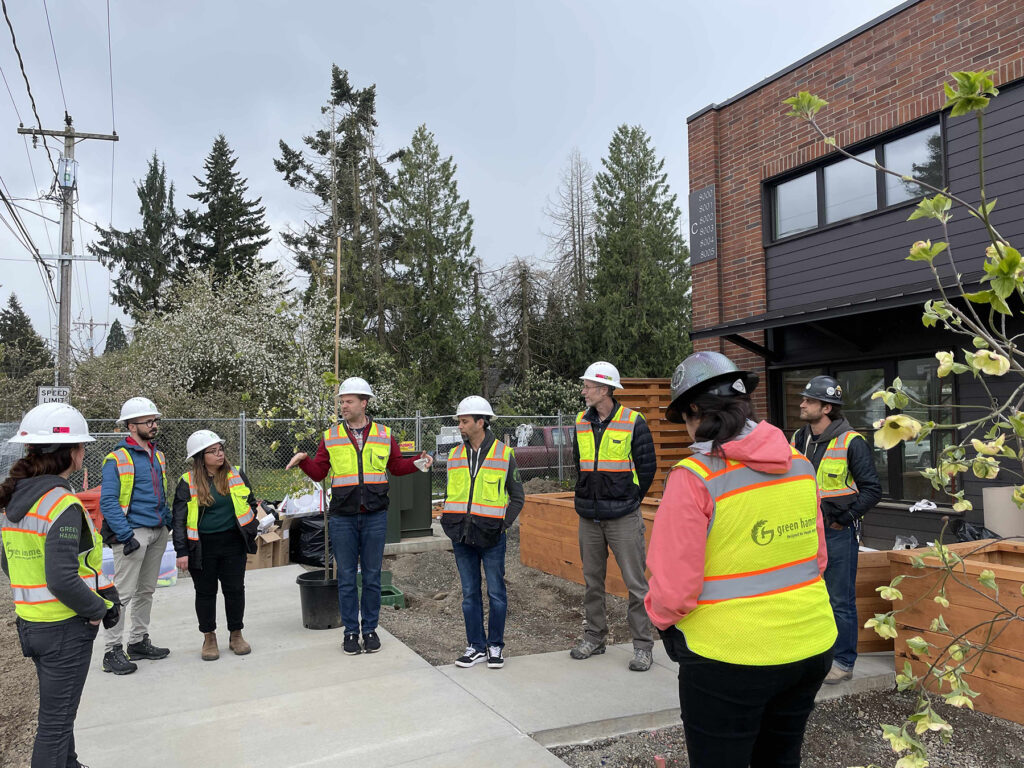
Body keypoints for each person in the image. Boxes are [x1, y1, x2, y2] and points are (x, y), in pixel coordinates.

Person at [645, 351, 837, 768]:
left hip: (728, 656)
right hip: (812, 643)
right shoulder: (802, 467)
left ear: (694, 411)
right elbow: (817, 559)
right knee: (780, 757)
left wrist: (665, 627)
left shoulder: (694, 478)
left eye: (683, 419)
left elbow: (673, 589)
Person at [1, 403, 120, 768]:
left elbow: (8, 562)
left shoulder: (13, 500)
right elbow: (62, 578)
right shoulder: (60, 502)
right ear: (71, 452)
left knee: (59, 712)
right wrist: (99, 609)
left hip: (32, 623)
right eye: (82, 445)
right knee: (54, 725)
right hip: (64, 628)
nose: (84, 451)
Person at [286, 377, 433, 655]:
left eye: (349, 401)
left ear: (363, 403)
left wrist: (418, 463)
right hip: (342, 517)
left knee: (373, 576)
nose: (343, 405)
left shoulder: (384, 434)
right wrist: (305, 461)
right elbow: (320, 472)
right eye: (341, 401)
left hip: (376, 515)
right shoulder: (330, 436)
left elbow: (396, 467)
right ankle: (351, 632)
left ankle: (370, 630)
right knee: (345, 577)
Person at [791, 375, 882, 684]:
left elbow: (872, 490)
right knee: (808, 596)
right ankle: (816, 655)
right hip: (803, 532)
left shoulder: (851, 442)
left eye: (809, 400)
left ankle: (843, 662)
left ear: (826, 407)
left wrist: (844, 519)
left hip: (837, 533)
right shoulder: (798, 438)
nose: (802, 403)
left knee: (839, 599)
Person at [570, 361, 657, 671]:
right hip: (589, 517)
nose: (583, 391)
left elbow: (647, 469)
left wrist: (630, 500)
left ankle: (643, 646)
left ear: (605, 389)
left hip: (623, 517)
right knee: (592, 581)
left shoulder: (634, 422)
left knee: (635, 584)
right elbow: (580, 464)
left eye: (588, 386)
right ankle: (594, 637)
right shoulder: (581, 422)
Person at [441, 396, 524, 669]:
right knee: (469, 594)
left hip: (492, 537)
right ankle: (475, 646)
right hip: (462, 537)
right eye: (460, 422)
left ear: (481, 422)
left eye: (464, 421)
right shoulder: (454, 455)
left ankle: (495, 647)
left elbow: (517, 498)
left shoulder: (504, 454)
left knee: (497, 593)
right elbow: (452, 493)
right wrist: (449, 521)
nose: (460, 426)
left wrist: (503, 525)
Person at [99, 396, 172, 675]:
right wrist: (126, 535)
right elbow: (108, 502)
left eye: (155, 420)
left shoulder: (157, 454)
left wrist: (165, 522)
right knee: (123, 595)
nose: (154, 425)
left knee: (146, 591)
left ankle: (138, 641)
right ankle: (111, 651)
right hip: (133, 534)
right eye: (148, 421)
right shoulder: (116, 459)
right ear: (131, 426)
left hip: (156, 532)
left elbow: (159, 492)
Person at [172, 430, 259, 661]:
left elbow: (250, 502)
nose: (219, 454)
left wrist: (252, 528)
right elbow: (179, 520)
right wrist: (181, 551)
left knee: (234, 590)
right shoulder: (187, 481)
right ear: (200, 457)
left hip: (233, 543)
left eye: (221, 449)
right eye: (213, 451)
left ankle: (236, 634)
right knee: (205, 593)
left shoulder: (236, 474)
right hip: (201, 547)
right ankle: (209, 637)